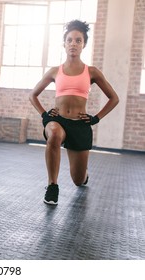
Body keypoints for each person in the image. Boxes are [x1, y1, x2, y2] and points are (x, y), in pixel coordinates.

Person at [29, 20, 119, 205]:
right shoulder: (55, 71)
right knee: (53, 133)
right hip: (58, 121)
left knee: (78, 180)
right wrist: (45, 115)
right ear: (64, 44)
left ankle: (83, 176)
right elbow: (33, 95)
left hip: (80, 125)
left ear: (83, 44)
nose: (73, 44)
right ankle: (52, 186)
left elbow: (114, 98)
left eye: (78, 40)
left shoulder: (92, 72)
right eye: (69, 40)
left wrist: (95, 118)